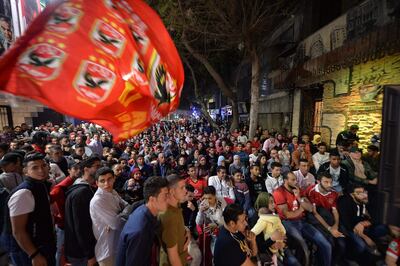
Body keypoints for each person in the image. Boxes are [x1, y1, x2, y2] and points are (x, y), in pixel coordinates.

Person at [273, 172, 332, 266]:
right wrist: (301, 208)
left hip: (302, 221)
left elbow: (310, 208)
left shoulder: (298, 190)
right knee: (303, 247)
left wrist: (298, 197)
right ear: (285, 181)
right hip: (288, 223)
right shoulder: (278, 192)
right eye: (292, 180)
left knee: (326, 245)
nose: (296, 182)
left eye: (296, 179)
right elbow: (287, 215)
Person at [7, 153, 56, 265]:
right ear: (25, 171)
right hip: (29, 252)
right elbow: (18, 231)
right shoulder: (24, 193)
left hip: (44, 246)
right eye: (35, 167)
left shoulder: (41, 185)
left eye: (43, 166)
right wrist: (34, 254)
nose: (41, 170)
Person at [116, 176, 169, 266]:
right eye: (165, 195)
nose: (169, 199)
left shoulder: (145, 210)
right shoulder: (140, 231)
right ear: (152, 199)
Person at [337, 184, 388, 265]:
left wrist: (363, 223)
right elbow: (347, 224)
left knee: (383, 228)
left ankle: (375, 251)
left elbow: (375, 217)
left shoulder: (364, 200)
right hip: (348, 228)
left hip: (362, 226)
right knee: (361, 245)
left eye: (364, 192)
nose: (365, 195)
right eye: (360, 193)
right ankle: (349, 258)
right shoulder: (345, 202)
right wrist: (365, 237)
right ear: (352, 195)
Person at [64, 156, 102, 266]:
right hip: (81, 254)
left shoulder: (87, 189)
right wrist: (89, 254)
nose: (100, 169)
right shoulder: (81, 193)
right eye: (97, 166)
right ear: (86, 169)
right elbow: (81, 227)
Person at [305, 172, 346, 265]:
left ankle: (334, 262)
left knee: (342, 244)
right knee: (329, 242)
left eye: (331, 182)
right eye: (326, 182)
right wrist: (329, 229)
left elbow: (335, 211)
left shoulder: (333, 193)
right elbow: (315, 213)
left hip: (329, 218)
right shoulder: (311, 191)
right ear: (318, 181)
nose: (329, 185)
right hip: (316, 220)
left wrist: (335, 226)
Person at [90, 167, 128, 266]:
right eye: (102, 181)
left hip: (117, 244)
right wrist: (121, 214)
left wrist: (119, 214)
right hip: (107, 250)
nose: (107, 184)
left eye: (109, 179)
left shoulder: (112, 192)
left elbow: (127, 206)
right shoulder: (97, 201)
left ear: (114, 178)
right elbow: (117, 223)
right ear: (97, 183)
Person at [50, 161, 81, 266]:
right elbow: (50, 204)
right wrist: (57, 218)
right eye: (75, 169)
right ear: (68, 171)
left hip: (74, 223)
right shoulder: (60, 188)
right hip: (63, 225)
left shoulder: (81, 184)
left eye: (79, 168)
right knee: (60, 249)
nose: (78, 171)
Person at [159, 174, 189, 266]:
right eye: (182, 188)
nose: (186, 191)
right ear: (172, 191)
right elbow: (173, 256)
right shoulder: (167, 215)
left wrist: (187, 231)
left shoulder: (176, 205)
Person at [196, 186, 227, 266]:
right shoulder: (203, 204)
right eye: (205, 198)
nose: (207, 201)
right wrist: (200, 211)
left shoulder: (221, 200)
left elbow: (227, 217)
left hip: (223, 229)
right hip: (213, 233)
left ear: (215, 196)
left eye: (210, 198)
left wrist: (217, 224)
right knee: (215, 253)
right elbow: (198, 223)